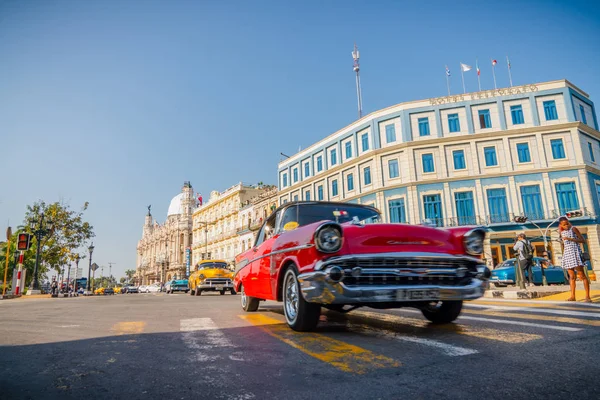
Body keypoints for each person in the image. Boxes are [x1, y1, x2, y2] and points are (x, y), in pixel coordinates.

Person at [558, 217, 591, 302]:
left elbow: (582, 240)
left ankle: (587, 296)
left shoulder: (573, 229)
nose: (566, 226)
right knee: (572, 276)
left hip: (575, 252)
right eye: (564, 224)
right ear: (560, 225)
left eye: (567, 223)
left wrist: (570, 239)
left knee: (582, 275)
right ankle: (572, 296)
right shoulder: (561, 232)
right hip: (568, 254)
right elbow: (564, 244)